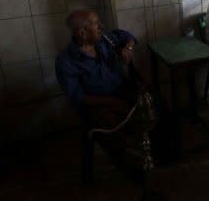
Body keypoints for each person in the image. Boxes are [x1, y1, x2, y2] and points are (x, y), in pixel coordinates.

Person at [55, 10, 171, 173]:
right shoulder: (66, 61)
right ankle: (135, 173)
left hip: (120, 89)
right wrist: (112, 103)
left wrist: (128, 49)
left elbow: (127, 35)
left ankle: (165, 155)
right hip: (96, 103)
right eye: (96, 24)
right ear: (83, 32)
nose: (101, 26)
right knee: (111, 127)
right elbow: (78, 98)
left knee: (155, 101)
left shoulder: (104, 40)